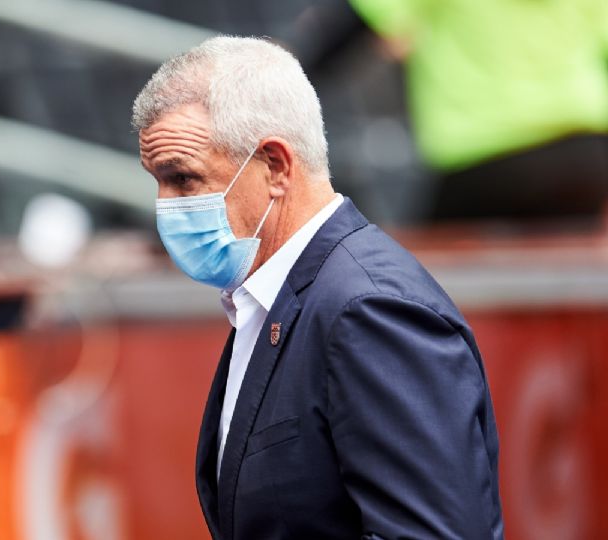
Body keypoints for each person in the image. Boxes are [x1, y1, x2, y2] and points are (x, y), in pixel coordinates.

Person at [132, 36, 503, 538]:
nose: (166, 206)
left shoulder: (369, 309)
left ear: (277, 167)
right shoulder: (275, 300)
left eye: (183, 179)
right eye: (158, 180)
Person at [350, 0, 608, 222]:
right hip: (581, 146)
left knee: (432, 269)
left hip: (482, 148)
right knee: (567, 266)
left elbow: (380, 25)